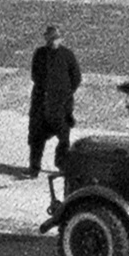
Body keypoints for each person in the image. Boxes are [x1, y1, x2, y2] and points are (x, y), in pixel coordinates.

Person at [29, 24, 82, 176]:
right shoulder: (39, 54)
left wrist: (66, 93)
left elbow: (76, 77)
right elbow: (35, 75)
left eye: (56, 39)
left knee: (64, 137)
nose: (53, 42)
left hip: (61, 105)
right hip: (41, 104)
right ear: (46, 39)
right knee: (36, 138)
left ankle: (61, 164)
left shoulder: (67, 55)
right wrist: (44, 90)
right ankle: (34, 167)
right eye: (50, 39)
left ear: (61, 39)